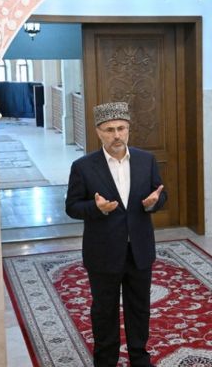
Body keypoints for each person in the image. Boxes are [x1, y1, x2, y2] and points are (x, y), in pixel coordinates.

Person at [65, 101, 167, 367]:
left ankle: (139, 357)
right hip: (103, 252)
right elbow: (72, 207)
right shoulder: (83, 166)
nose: (117, 135)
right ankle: (106, 360)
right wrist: (95, 208)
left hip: (139, 250)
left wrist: (154, 203)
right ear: (99, 132)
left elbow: (160, 194)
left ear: (129, 129)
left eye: (121, 128)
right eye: (110, 130)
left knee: (139, 307)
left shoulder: (146, 160)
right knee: (104, 310)